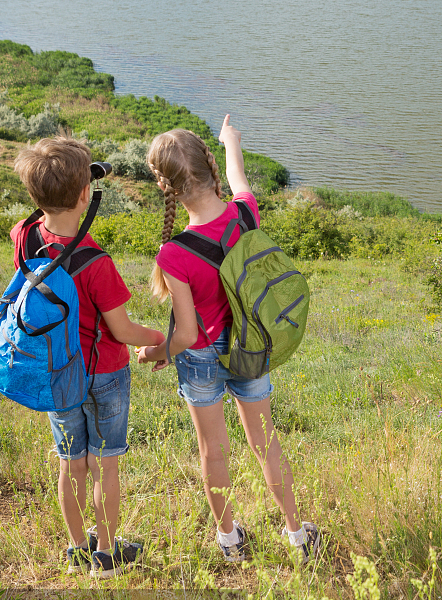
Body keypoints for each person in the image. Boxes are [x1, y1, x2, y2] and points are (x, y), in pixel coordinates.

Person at [136, 116, 320, 564]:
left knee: (212, 452)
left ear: (168, 188)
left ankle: (230, 540)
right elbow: (238, 178)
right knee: (266, 443)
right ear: (210, 169)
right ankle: (297, 533)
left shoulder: (174, 252)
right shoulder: (244, 213)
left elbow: (187, 333)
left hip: (200, 360)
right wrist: (230, 140)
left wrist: (157, 352)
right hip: (251, 347)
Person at [11, 135, 165, 578]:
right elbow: (122, 330)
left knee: (71, 464)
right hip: (104, 375)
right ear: (86, 195)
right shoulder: (96, 261)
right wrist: (157, 338)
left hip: (57, 371)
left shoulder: (24, 236)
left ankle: (78, 549)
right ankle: (107, 554)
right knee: (104, 465)